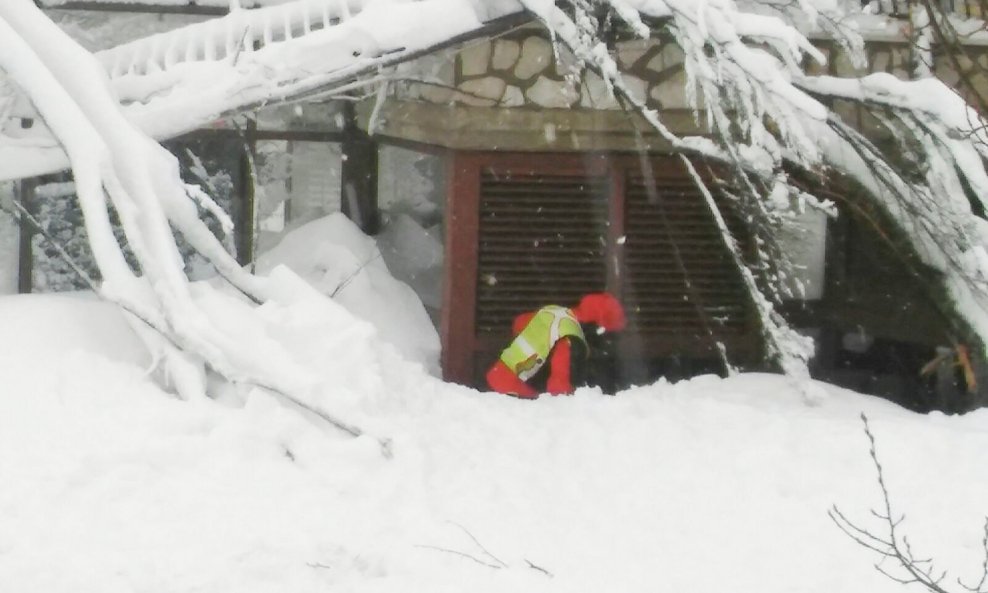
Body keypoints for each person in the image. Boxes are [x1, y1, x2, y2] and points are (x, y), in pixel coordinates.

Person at [486, 292, 626, 398]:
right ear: (597, 328)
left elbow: (519, 322)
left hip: (497, 377)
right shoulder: (571, 337)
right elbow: (559, 387)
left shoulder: (555, 312)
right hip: (515, 392)